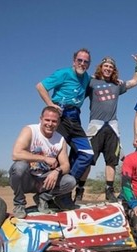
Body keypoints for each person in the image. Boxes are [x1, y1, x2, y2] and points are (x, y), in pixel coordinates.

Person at [75, 54, 137, 202]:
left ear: (114, 70)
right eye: (106, 66)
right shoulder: (91, 82)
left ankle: (109, 191)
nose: (108, 69)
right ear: (101, 67)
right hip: (95, 127)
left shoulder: (117, 85)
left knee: (111, 161)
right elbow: (78, 82)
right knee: (87, 160)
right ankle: (79, 190)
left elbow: (136, 81)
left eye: (111, 67)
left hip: (112, 126)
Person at [36, 48, 94, 187]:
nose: (82, 63)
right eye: (79, 60)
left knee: (86, 153)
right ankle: (47, 193)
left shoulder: (87, 78)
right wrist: (51, 105)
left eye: (86, 62)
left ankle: (64, 188)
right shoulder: (63, 73)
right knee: (55, 154)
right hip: (60, 116)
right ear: (74, 61)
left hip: (75, 117)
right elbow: (40, 86)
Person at [9, 107, 77, 218]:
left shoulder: (60, 140)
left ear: (58, 122)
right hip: (27, 179)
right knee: (19, 167)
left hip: (44, 181)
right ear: (41, 119)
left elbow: (66, 165)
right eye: (47, 120)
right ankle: (19, 204)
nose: (50, 124)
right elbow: (16, 154)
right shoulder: (30, 130)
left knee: (70, 181)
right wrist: (44, 158)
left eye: (54, 121)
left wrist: (57, 171)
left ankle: (43, 198)